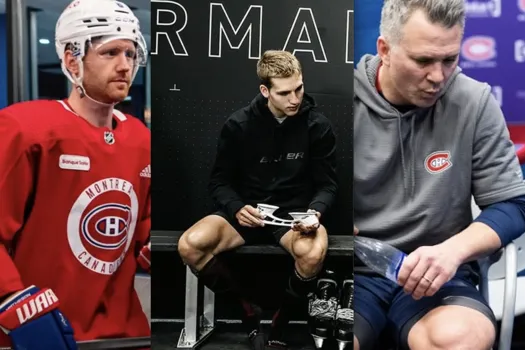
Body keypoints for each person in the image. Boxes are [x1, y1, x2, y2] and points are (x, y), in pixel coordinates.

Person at [353, 0, 525, 349]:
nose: (438, 77)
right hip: (351, 271)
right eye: (423, 61)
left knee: (459, 339)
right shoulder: (339, 100)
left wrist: (453, 251)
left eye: (450, 59)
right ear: (385, 50)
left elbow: (512, 205)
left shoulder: (473, 102)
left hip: (440, 277)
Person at [0, 0, 151, 349]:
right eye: (110, 52)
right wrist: (13, 302)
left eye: (130, 54)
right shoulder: (26, 130)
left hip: (125, 333)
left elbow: (139, 226)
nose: (124, 65)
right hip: (41, 331)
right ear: (72, 60)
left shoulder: (140, 139)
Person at [177, 50, 339, 350]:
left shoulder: (318, 126)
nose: (295, 98)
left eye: (299, 88)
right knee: (190, 245)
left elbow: (328, 185)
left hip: (293, 217)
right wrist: (237, 208)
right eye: (285, 92)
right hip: (247, 213)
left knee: (313, 253)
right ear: (265, 91)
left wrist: (315, 213)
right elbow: (219, 181)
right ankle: (248, 315)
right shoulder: (238, 124)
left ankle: (280, 324)